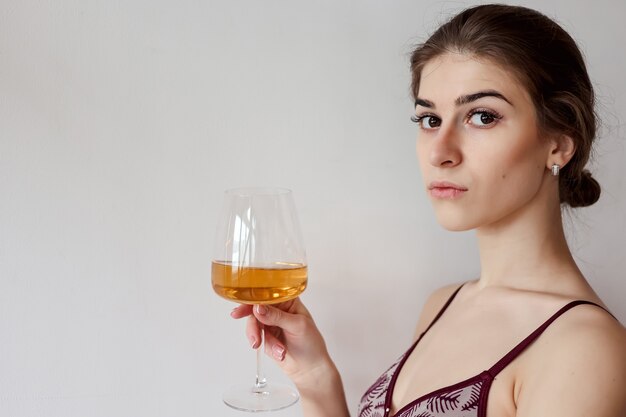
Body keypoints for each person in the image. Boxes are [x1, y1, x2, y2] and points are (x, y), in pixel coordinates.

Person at [231, 4, 626, 417]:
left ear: (559, 144)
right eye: (430, 119)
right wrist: (316, 378)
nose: (440, 152)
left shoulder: (584, 349)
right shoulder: (442, 304)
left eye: (482, 116)